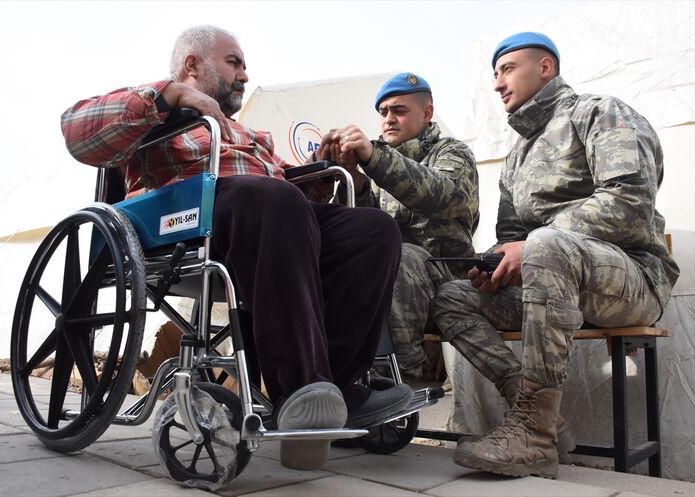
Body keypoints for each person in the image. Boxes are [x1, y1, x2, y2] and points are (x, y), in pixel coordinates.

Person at [61, 24, 413, 471]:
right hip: (185, 216)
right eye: (234, 63)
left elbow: (292, 193)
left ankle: (334, 390)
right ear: (192, 64)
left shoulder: (249, 135)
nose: (244, 75)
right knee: (271, 199)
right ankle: (301, 388)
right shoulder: (153, 112)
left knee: (375, 230)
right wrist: (170, 94)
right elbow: (75, 128)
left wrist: (322, 168)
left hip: (267, 216)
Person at [432, 32, 679, 478]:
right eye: (495, 74)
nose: (497, 84)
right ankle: (533, 414)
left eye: (508, 69)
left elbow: (630, 200)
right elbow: (511, 236)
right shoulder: (516, 157)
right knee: (453, 297)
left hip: (631, 280)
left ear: (545, 68)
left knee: (545, 243)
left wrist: (533, 246)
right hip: (550, 281)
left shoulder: (600, 112)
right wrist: (496, 266)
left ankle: (533, 437)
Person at [317, 73, 479, 381]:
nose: (388, 119)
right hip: (393, 281)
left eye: (399, 110)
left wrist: (375, 159)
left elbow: (442, 195)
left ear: (427, 113)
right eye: (383, 112)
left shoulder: (452, 153)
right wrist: (356, 181)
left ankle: (402, 380)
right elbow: (365, 233)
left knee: (401, 256)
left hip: (447, 278)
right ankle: (338, 377)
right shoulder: (379, 167)